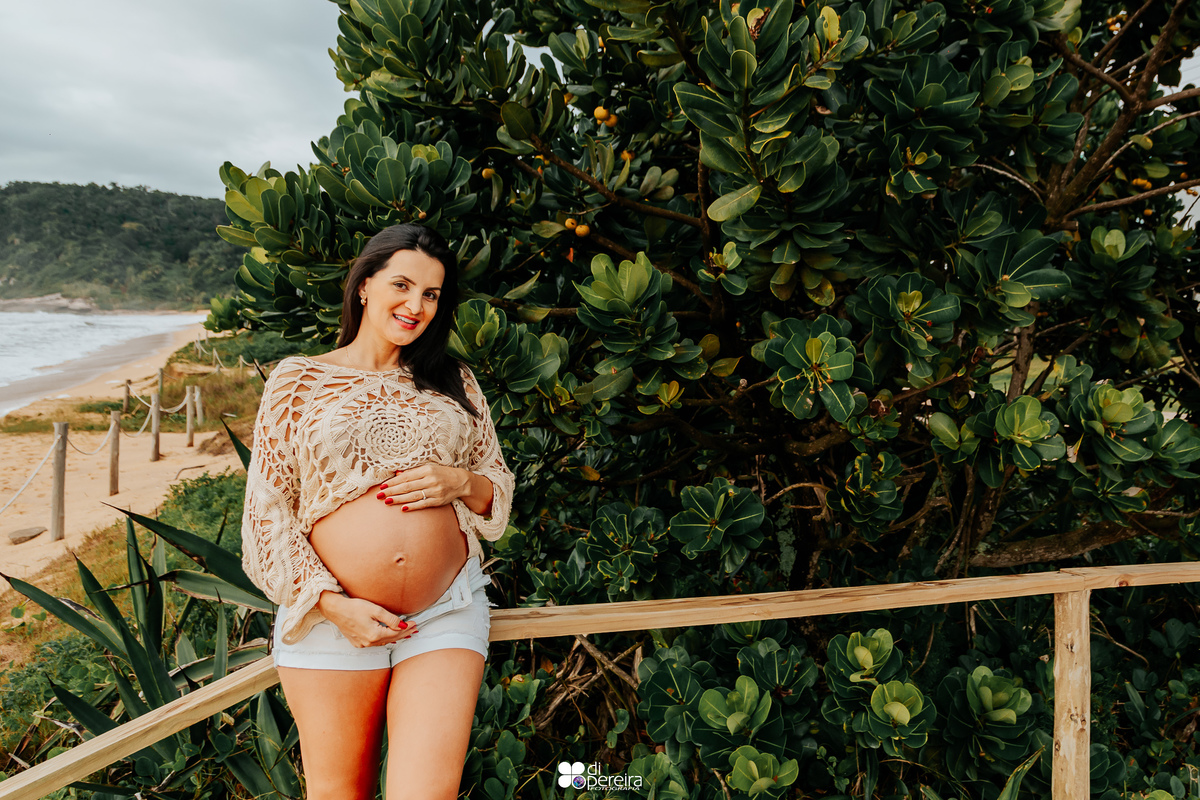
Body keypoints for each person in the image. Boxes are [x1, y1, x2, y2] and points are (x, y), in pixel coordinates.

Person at [239, 223, 516, 800]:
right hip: (332, 619)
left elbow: (496, 491)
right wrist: (333, 605)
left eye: (433, 295)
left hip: (444, 611)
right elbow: (269, 511)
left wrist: (460, 481)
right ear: (364, 285)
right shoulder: (299, 380)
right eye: (402, 285)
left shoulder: (453, 380)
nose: (416, 306)